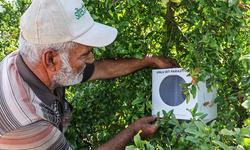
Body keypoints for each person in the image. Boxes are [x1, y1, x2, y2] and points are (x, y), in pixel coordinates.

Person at [0, 0, 180, 149]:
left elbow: (101, 69)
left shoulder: (31, 61)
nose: (91, 59)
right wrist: (133, 130)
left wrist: (150, 60)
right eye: (85, 54)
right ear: (50, 59)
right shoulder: (30, 124)